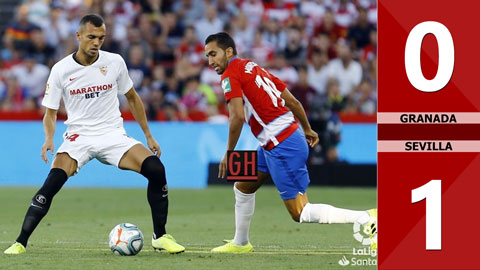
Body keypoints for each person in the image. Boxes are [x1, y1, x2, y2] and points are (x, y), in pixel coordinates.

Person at [4, 14, 185, 255]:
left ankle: (160, 237)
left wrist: (148, 135)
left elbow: (132, 97)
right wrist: (49, 138)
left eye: (101, 37)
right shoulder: (61, 69)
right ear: (78, 36)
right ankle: (20, 242)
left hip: (113, 135)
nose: (96, 42)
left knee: (156, 169)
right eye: (91, 37)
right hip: (79, 137)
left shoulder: (115, 62)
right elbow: (50, 112)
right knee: (52, 182)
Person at [204, 32, 377, 253]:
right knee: (243, 187)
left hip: (281, 144)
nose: (210, 61)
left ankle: (368, 218)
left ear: (228, 51)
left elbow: (236, 117)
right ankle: (240, 243)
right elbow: (293, 101)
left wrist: (229, 152)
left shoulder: (229, 75)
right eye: (207, 56)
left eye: (213, 54)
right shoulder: (253, 67)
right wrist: (306, 128)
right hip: (279, 139)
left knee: (300, 212)